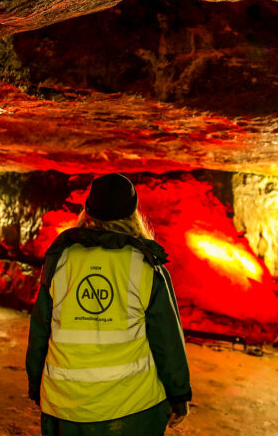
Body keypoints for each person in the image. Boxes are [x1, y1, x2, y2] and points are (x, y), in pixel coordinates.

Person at [26, 173, 191, 435]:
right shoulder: (145, 265)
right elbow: (167, 339)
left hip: (63, 406)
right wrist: (179, 394)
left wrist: (36, 385)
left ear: (88, 210)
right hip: (132, 410)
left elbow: (40, 331)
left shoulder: (61, 260)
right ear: (133, 212)